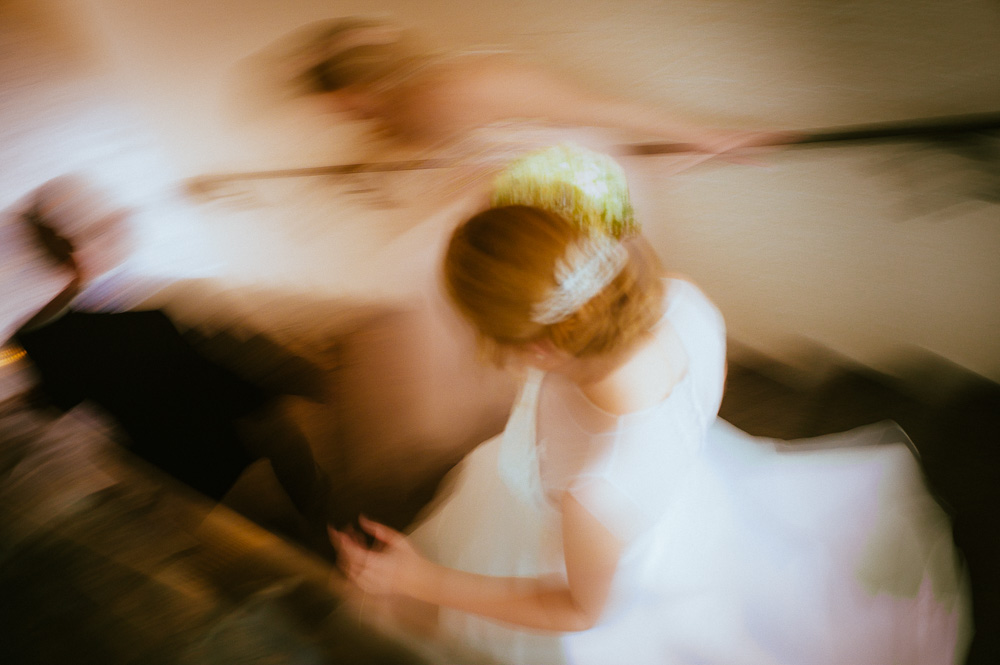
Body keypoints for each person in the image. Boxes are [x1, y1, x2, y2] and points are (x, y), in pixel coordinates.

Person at [329, 148, 970, 663]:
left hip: (605, 563)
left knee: (385, 615)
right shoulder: (680, 301)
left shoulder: (596, 485)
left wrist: (425, 583)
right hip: (686, 494)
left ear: (538, 352)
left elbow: (582, 610)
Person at [11, 177, 333, 546]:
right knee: (277, 435)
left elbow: (60, 398)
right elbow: (210, 376)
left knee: (257, 495)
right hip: (214, 426)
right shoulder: (144, 319)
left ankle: (299, 541)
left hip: (171, 459)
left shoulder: (43, 341)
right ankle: (316, 518)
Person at [280, 16, 780, 155]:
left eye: (340, 107)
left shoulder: (470, 83)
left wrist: (705, 135)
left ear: (355, 88)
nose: (343, 118)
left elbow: (596, 107)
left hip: (560, 206)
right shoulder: (392, 116)